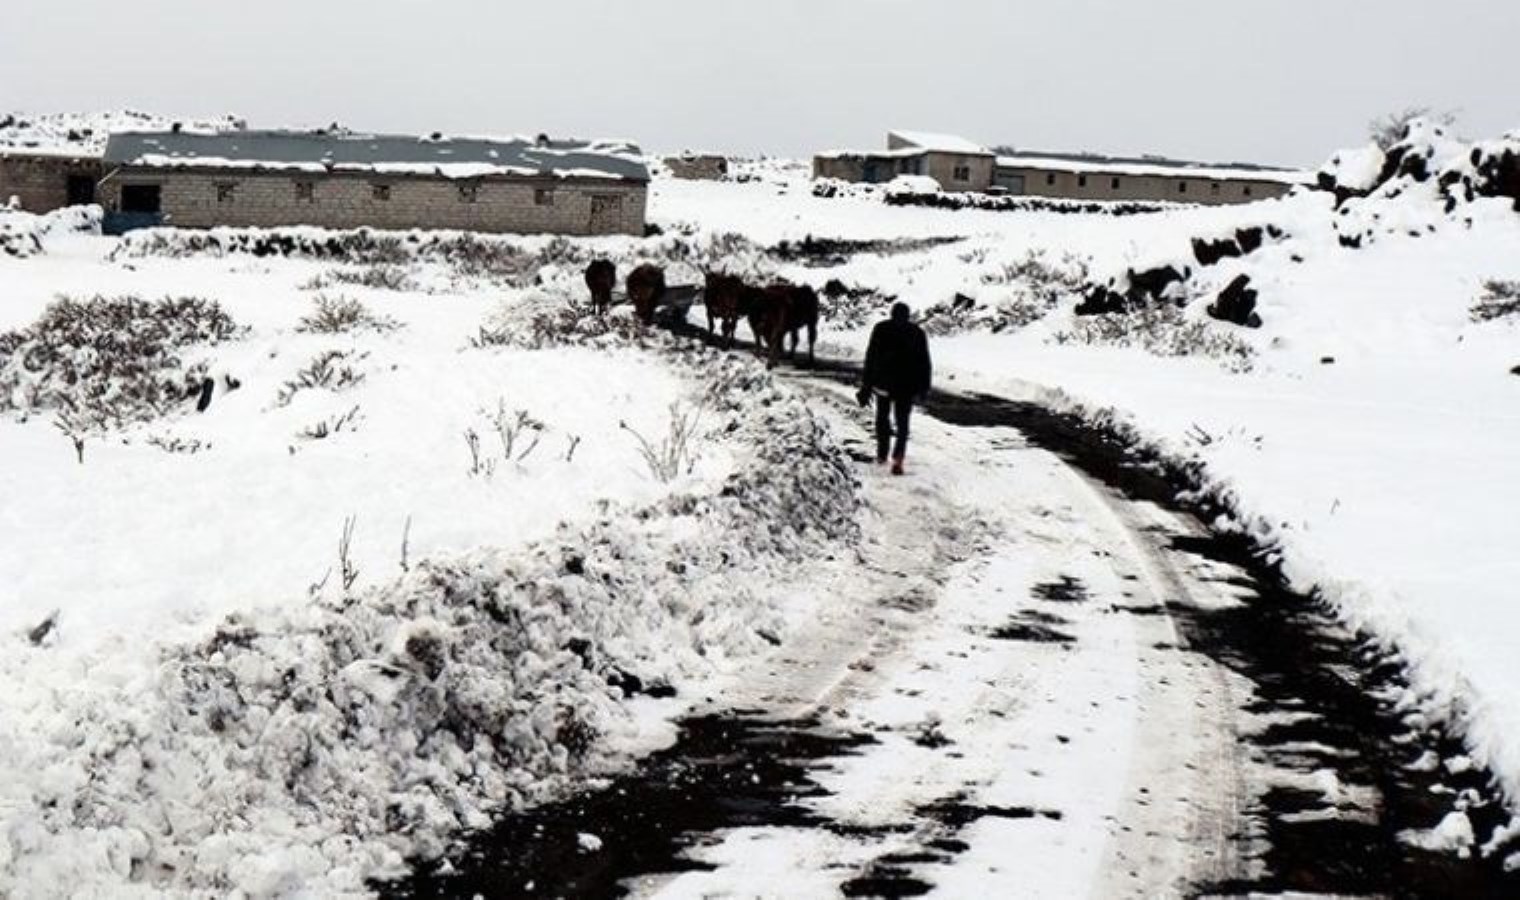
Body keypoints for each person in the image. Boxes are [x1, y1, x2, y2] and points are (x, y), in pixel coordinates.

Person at [857, 302, 932, 475]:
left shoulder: (881, 329)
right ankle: (898, 458)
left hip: (883, 384)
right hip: (906, 387)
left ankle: (882, 454)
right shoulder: (917, 333)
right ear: (908, 316)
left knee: (882, 420)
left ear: (891, 314)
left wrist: (866, 386)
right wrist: (923, 387)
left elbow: (871, 358)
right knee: (903, 423)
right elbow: (924, 362)